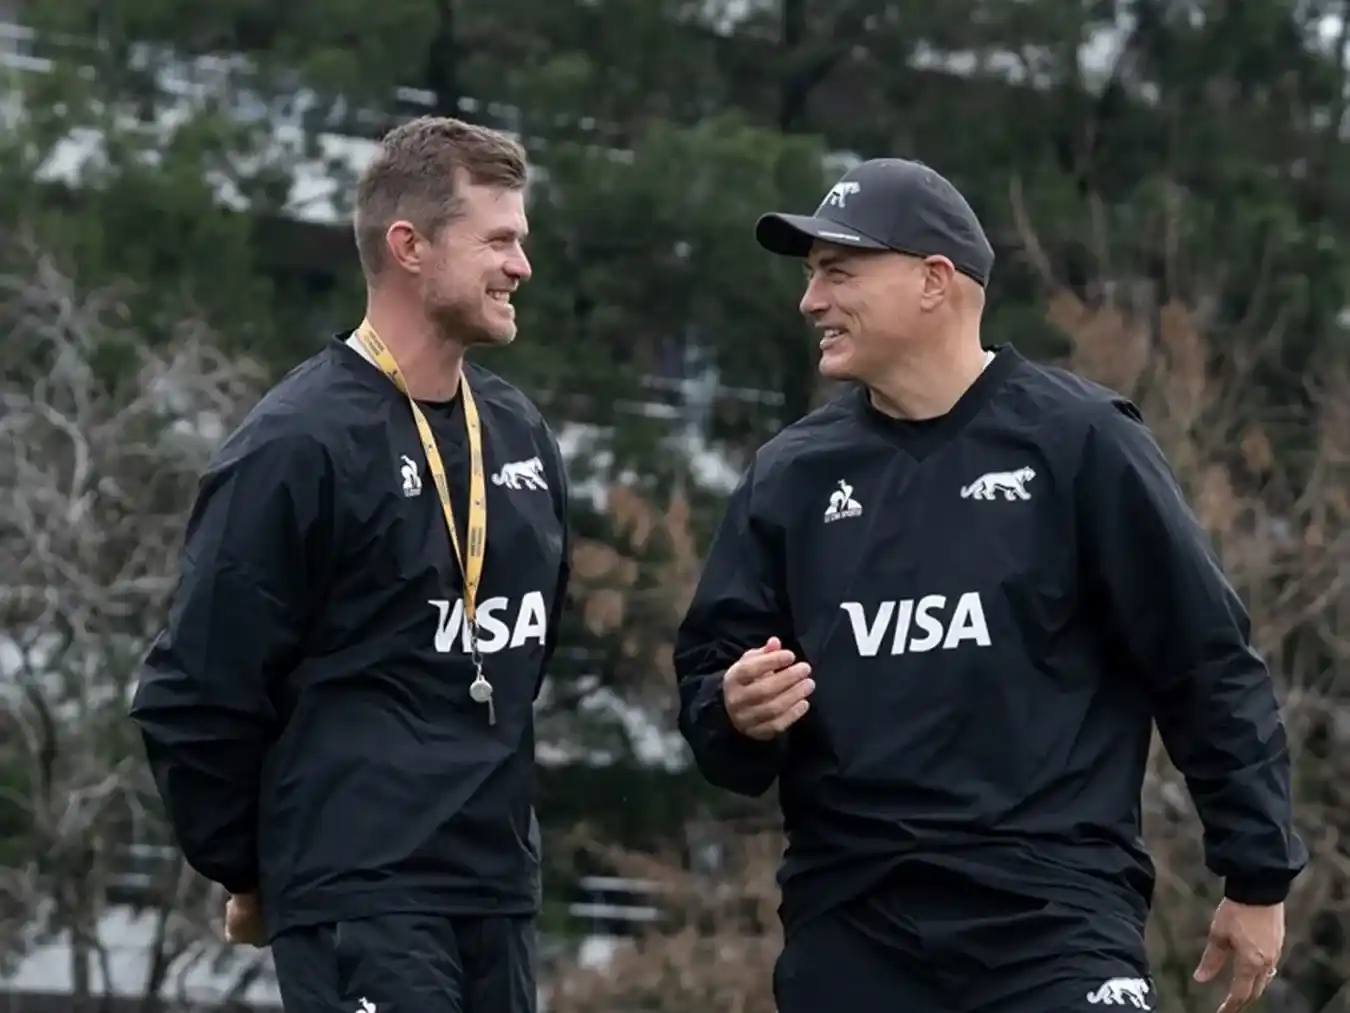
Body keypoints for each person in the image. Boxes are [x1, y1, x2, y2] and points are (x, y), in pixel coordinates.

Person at [673, 158, 1307, 1013]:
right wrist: (734, 709)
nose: (811, 302)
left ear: (935, 281)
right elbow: (712, 691)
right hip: (853, 927)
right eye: (810, 277)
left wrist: (1258, 872)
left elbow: (1205, 663)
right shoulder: (791, 476)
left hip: (1054, 920)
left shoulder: (1081, 443)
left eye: (839, 273)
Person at [129, 115, 570, 1013]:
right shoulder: (295, 443)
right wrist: (259, 863)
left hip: (495, 895)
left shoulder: (520, 433)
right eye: (499, 240)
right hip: (363, 894)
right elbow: (194, 690)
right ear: (409, 246)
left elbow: (526, 659)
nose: (521, 266)